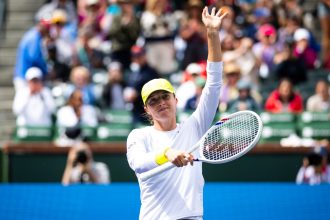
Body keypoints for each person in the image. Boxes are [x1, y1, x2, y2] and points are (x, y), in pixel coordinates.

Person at [126, 6, 226, 219]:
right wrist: (167, 154)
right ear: (147, 110)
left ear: (175, 99)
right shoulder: (139, 136)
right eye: (153, 101)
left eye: (164, 97)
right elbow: (139, 164)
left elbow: (214, 83)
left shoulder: (195, 126)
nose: (161, 103)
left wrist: (212, 34)